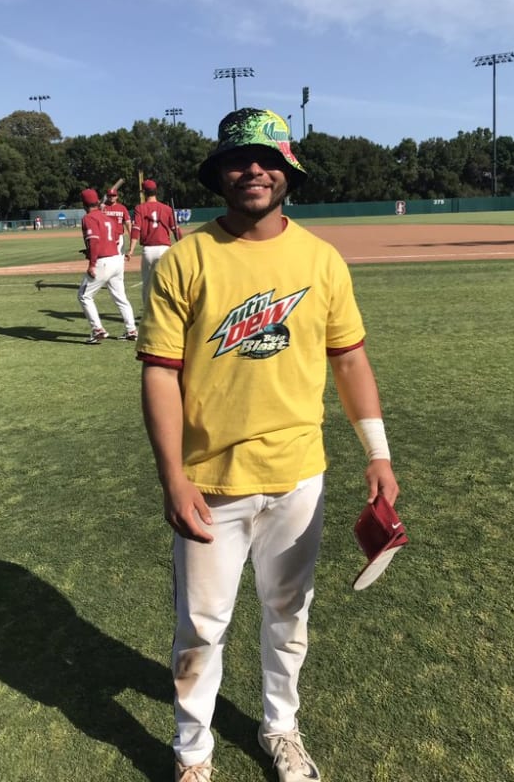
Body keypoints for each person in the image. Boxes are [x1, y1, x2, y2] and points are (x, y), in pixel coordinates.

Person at [135, 108, 401, 782]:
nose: (253, 169)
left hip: (297, 476)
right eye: (238, 159)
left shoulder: (320, 260)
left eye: (268, 158)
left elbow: (350, 361)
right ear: (219, 173)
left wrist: (378, 453)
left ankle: (281, 727)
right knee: (201, 627)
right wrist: (173, 476)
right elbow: (159, 374)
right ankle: (193, 751)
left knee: (289, 613)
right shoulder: (188, 258)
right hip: (210, 481)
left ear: (287, 171)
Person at [77, 188, 138, 344]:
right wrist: (90, 252)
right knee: (120, 297)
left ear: (83, 204)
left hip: (103, 262)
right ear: (97, 201)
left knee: (84, 296)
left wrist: (92, 263)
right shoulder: (106, 218)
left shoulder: (89, 217)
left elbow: (95, 241)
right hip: (117, 259)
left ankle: (97, 329)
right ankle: (131, 330)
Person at [126, 179, 181, 304]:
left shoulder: (140, 208)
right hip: (165, 250)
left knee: (147, 284)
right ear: (156, 191)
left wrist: (131, 250)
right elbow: (176, 230)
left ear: (144, 193)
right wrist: (182, 246)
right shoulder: (166, 208)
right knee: (167, 282)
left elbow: (136, 229)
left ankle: (147, 313)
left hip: (149, 250)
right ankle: (169, 308)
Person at [101, 188, 132, 254]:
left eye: (114, 195)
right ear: (107, 196)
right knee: (107, 258)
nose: (112, 197)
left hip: (119, 237)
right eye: (110, 195)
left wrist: (131, 236)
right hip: (106, 238)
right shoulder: (102, 208)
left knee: (120, 258)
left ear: (117, 196)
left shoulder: (122, 208)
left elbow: (128, 223)